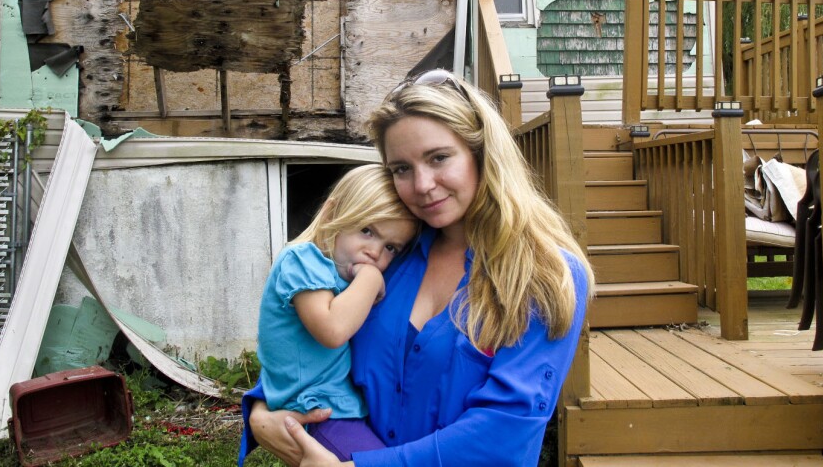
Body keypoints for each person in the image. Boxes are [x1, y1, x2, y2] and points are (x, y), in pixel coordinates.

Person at [240, 69, 593, 467]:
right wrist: (260, 412)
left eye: (439, 158)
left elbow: (504, 428)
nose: (422, 185)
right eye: (401, 169)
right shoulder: (388, 255)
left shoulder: (543, 274)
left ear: (482, 154)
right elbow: (304, 343)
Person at [251, 164, 419, 461]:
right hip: (315, 411)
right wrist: (370, 279)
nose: (375, 253)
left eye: (391, 247)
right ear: (332, 214)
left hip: (336, 407)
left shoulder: (338, 273)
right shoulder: (302, 259)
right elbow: (332, 330)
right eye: (367, 231)